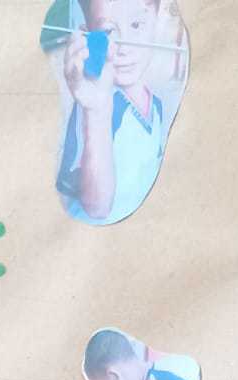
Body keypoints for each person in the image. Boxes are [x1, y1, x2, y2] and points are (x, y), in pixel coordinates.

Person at [40, 0, 186, 226]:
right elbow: (97, 208)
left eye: (136, 25)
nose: (124, 47)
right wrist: (96, 112)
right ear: (86, 36)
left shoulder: (155, 106)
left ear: (156, 24)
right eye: (108, 31)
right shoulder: (91, 107)